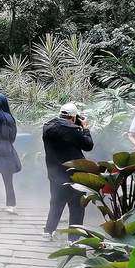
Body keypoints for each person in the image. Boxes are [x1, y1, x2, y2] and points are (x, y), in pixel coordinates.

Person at [42, 102, 94, 242]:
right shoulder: (73, 131)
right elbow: (88, 145)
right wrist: (85, 128)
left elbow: (61, 124)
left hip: (54, 173)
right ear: (72, 117)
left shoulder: (47, 128)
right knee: (77, 206)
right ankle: (73, 239)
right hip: (74, 174)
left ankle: (48, 232)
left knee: (56, 203)